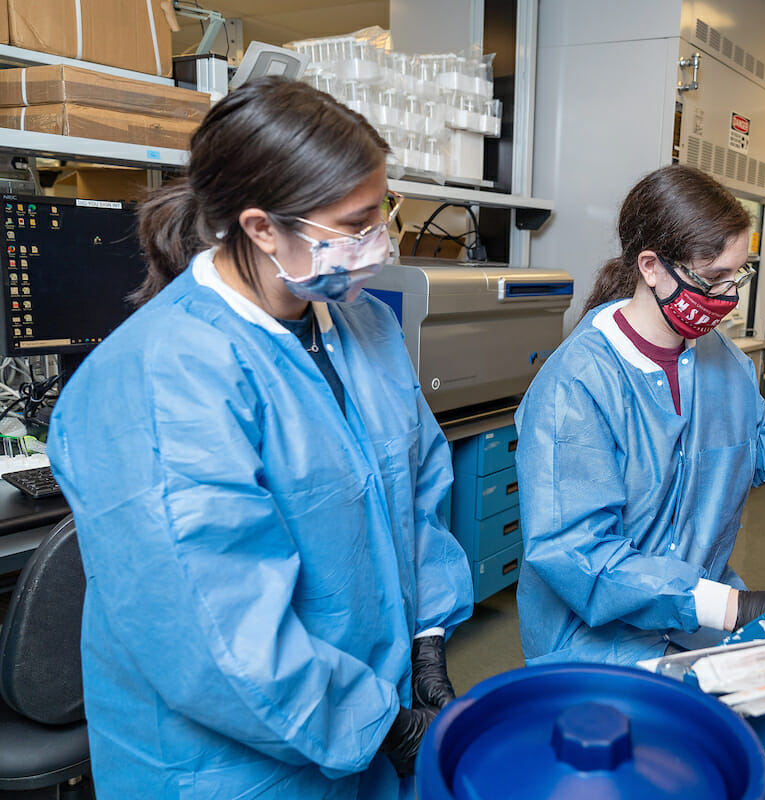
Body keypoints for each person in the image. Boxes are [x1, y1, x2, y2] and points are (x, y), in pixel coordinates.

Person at [47, 77, 473, 799]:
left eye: (383, 214)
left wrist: (428, 636)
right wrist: (383, 727)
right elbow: (221, 639)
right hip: (237, 766)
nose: (379, 243)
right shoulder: (161, 379)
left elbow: (418, 487)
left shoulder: (360, 324)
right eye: (356, 224)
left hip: (369, 718)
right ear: (260, 227)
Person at [514, 164, 765, 666]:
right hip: (597, 646)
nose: (730, 296)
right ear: (651, 266)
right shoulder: (577, 385)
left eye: (738, 275)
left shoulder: (720, 358)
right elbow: (576, 554)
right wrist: (731, 606)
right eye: (714, 277)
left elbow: (761, 453)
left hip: (698, 629)